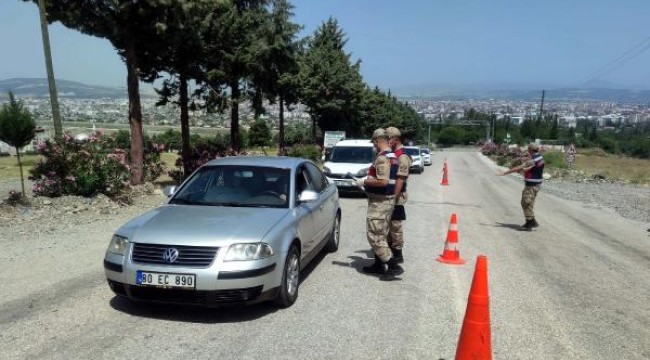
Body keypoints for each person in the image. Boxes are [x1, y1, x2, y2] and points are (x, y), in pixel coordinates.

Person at [356, 128, 404, 280]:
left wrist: (364, 181)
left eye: (374, 143)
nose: (374, 146)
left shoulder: (383, 158)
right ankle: (378, 265)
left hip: (380, 203)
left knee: (375, 236)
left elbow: (383, 181)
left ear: (377, 141)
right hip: (386, 201)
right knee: (381, 234)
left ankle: (392, 264)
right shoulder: (392, 156)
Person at [498, 143, 545, 230]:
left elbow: (519, 167)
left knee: (525, 202)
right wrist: (525, 170)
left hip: (532, 185)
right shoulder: (540, 157)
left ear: (530, 150)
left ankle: (531, 221)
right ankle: (529, 222)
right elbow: (533, 168)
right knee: (529, 203)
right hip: (535, 184)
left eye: (528, 149)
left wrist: (505, 173)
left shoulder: (533, 160)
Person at [386, 126, 411, 263]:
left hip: (397, 197)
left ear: (395, 139)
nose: (387, 141)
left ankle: (397, 253)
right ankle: (390, 249)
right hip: (390, 195)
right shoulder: (393, 154)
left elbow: (400, 179)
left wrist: (393, 197)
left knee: (395, 225)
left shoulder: (402, 156)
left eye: (388, 138)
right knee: (389, 225)